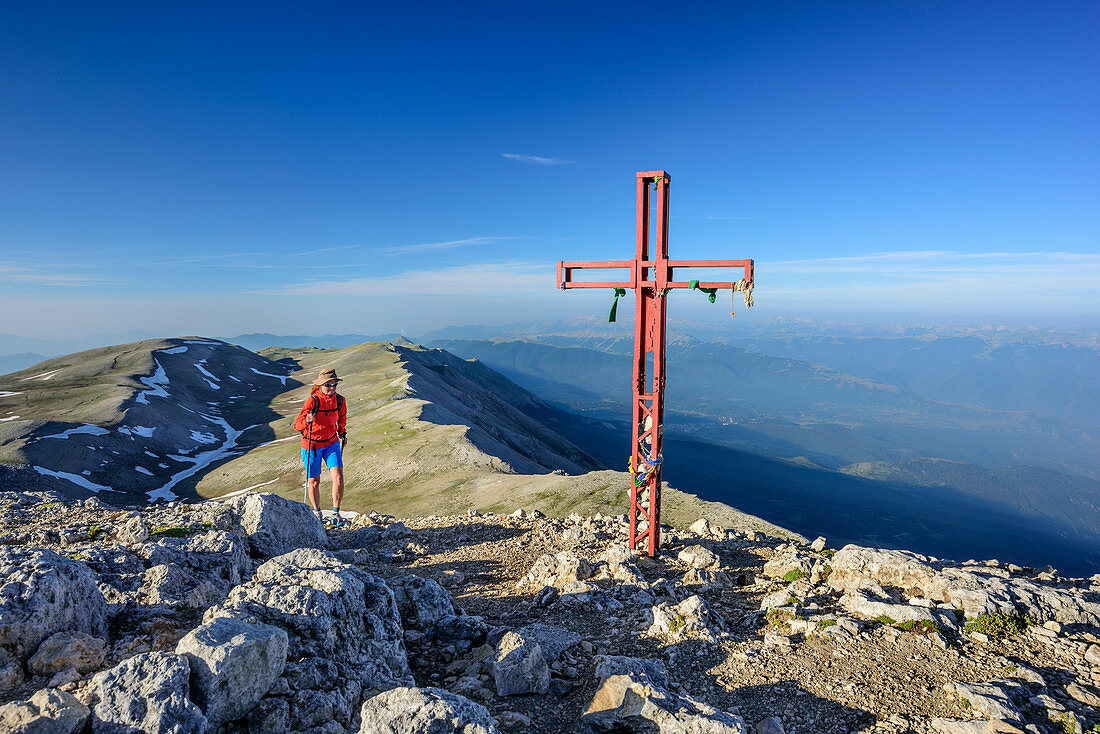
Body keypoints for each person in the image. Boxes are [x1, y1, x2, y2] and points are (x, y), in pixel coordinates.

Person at [294, 368, 348, 526]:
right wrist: (307, 421)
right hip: (312, 445)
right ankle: (317, 513)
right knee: (314, 481)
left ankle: (336, 514)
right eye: (328, 385)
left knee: (338, 477)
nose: (332, 388)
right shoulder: (312, 401)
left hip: (331, 443)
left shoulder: (340, 400)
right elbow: (298, 425)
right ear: (320, 385)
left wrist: (342, 433)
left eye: (334, 385)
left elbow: (342, 418)